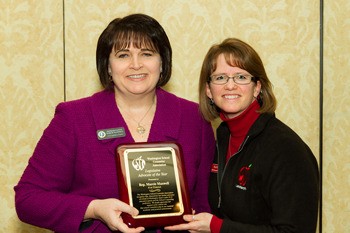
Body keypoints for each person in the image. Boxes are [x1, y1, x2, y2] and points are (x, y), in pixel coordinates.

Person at [14, 13, 215, 233]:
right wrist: (94, 208)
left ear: (162, 62)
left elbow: (205, 203)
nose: (136, 65)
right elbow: (28, 199)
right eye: (123, 55)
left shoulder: (194, 118)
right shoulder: (74, 118)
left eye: (147, 54)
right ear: (108, 66)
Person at [164, 38, 319, 233]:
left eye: (241, 77)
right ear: (208, 90)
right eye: (220, 78)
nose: (230, 86)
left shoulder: (286, 149)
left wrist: (218, 227)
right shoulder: (221, 137)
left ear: (257, 87)